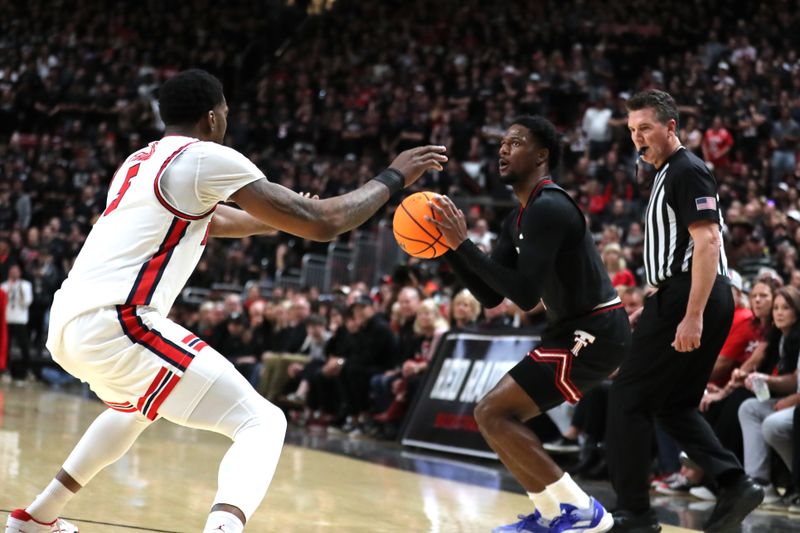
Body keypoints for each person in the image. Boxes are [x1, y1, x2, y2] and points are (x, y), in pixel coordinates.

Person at [5, 69, 447, 533]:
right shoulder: (206, 157)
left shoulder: (139, 161)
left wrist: (275, 219)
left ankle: (37, 518)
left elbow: (209, 221)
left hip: (67, 322)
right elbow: (326, 222)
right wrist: (395, 176)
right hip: (119, 322)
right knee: (263, 422)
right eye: (227, 115)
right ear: (213, 117)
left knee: (133, 408)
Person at [430, 115, 631, 533]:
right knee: (493, 416)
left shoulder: (551, 206)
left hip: (596, 328)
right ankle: (551, 511)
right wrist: (449, 250)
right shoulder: (517, 218)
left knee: (493, 412)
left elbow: (524, 295)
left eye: (516, 143)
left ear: (541, 156)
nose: (503, 149)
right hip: (573, 329)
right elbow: (490, 297)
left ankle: (583, 511)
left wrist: (462, 244)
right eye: (502, 143)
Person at [605, 89, 762, 533]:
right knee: (674, 406)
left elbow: (708, 241)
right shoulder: (664, 173)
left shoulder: (687, 169)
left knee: (627, 398)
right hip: (682, 296)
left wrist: (689, 314)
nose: (638, 138)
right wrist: (654, 300)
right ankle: (735, 483)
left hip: (693, 295)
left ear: (670, 127)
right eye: (633, 130)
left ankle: (634, 512)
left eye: (646, 128)